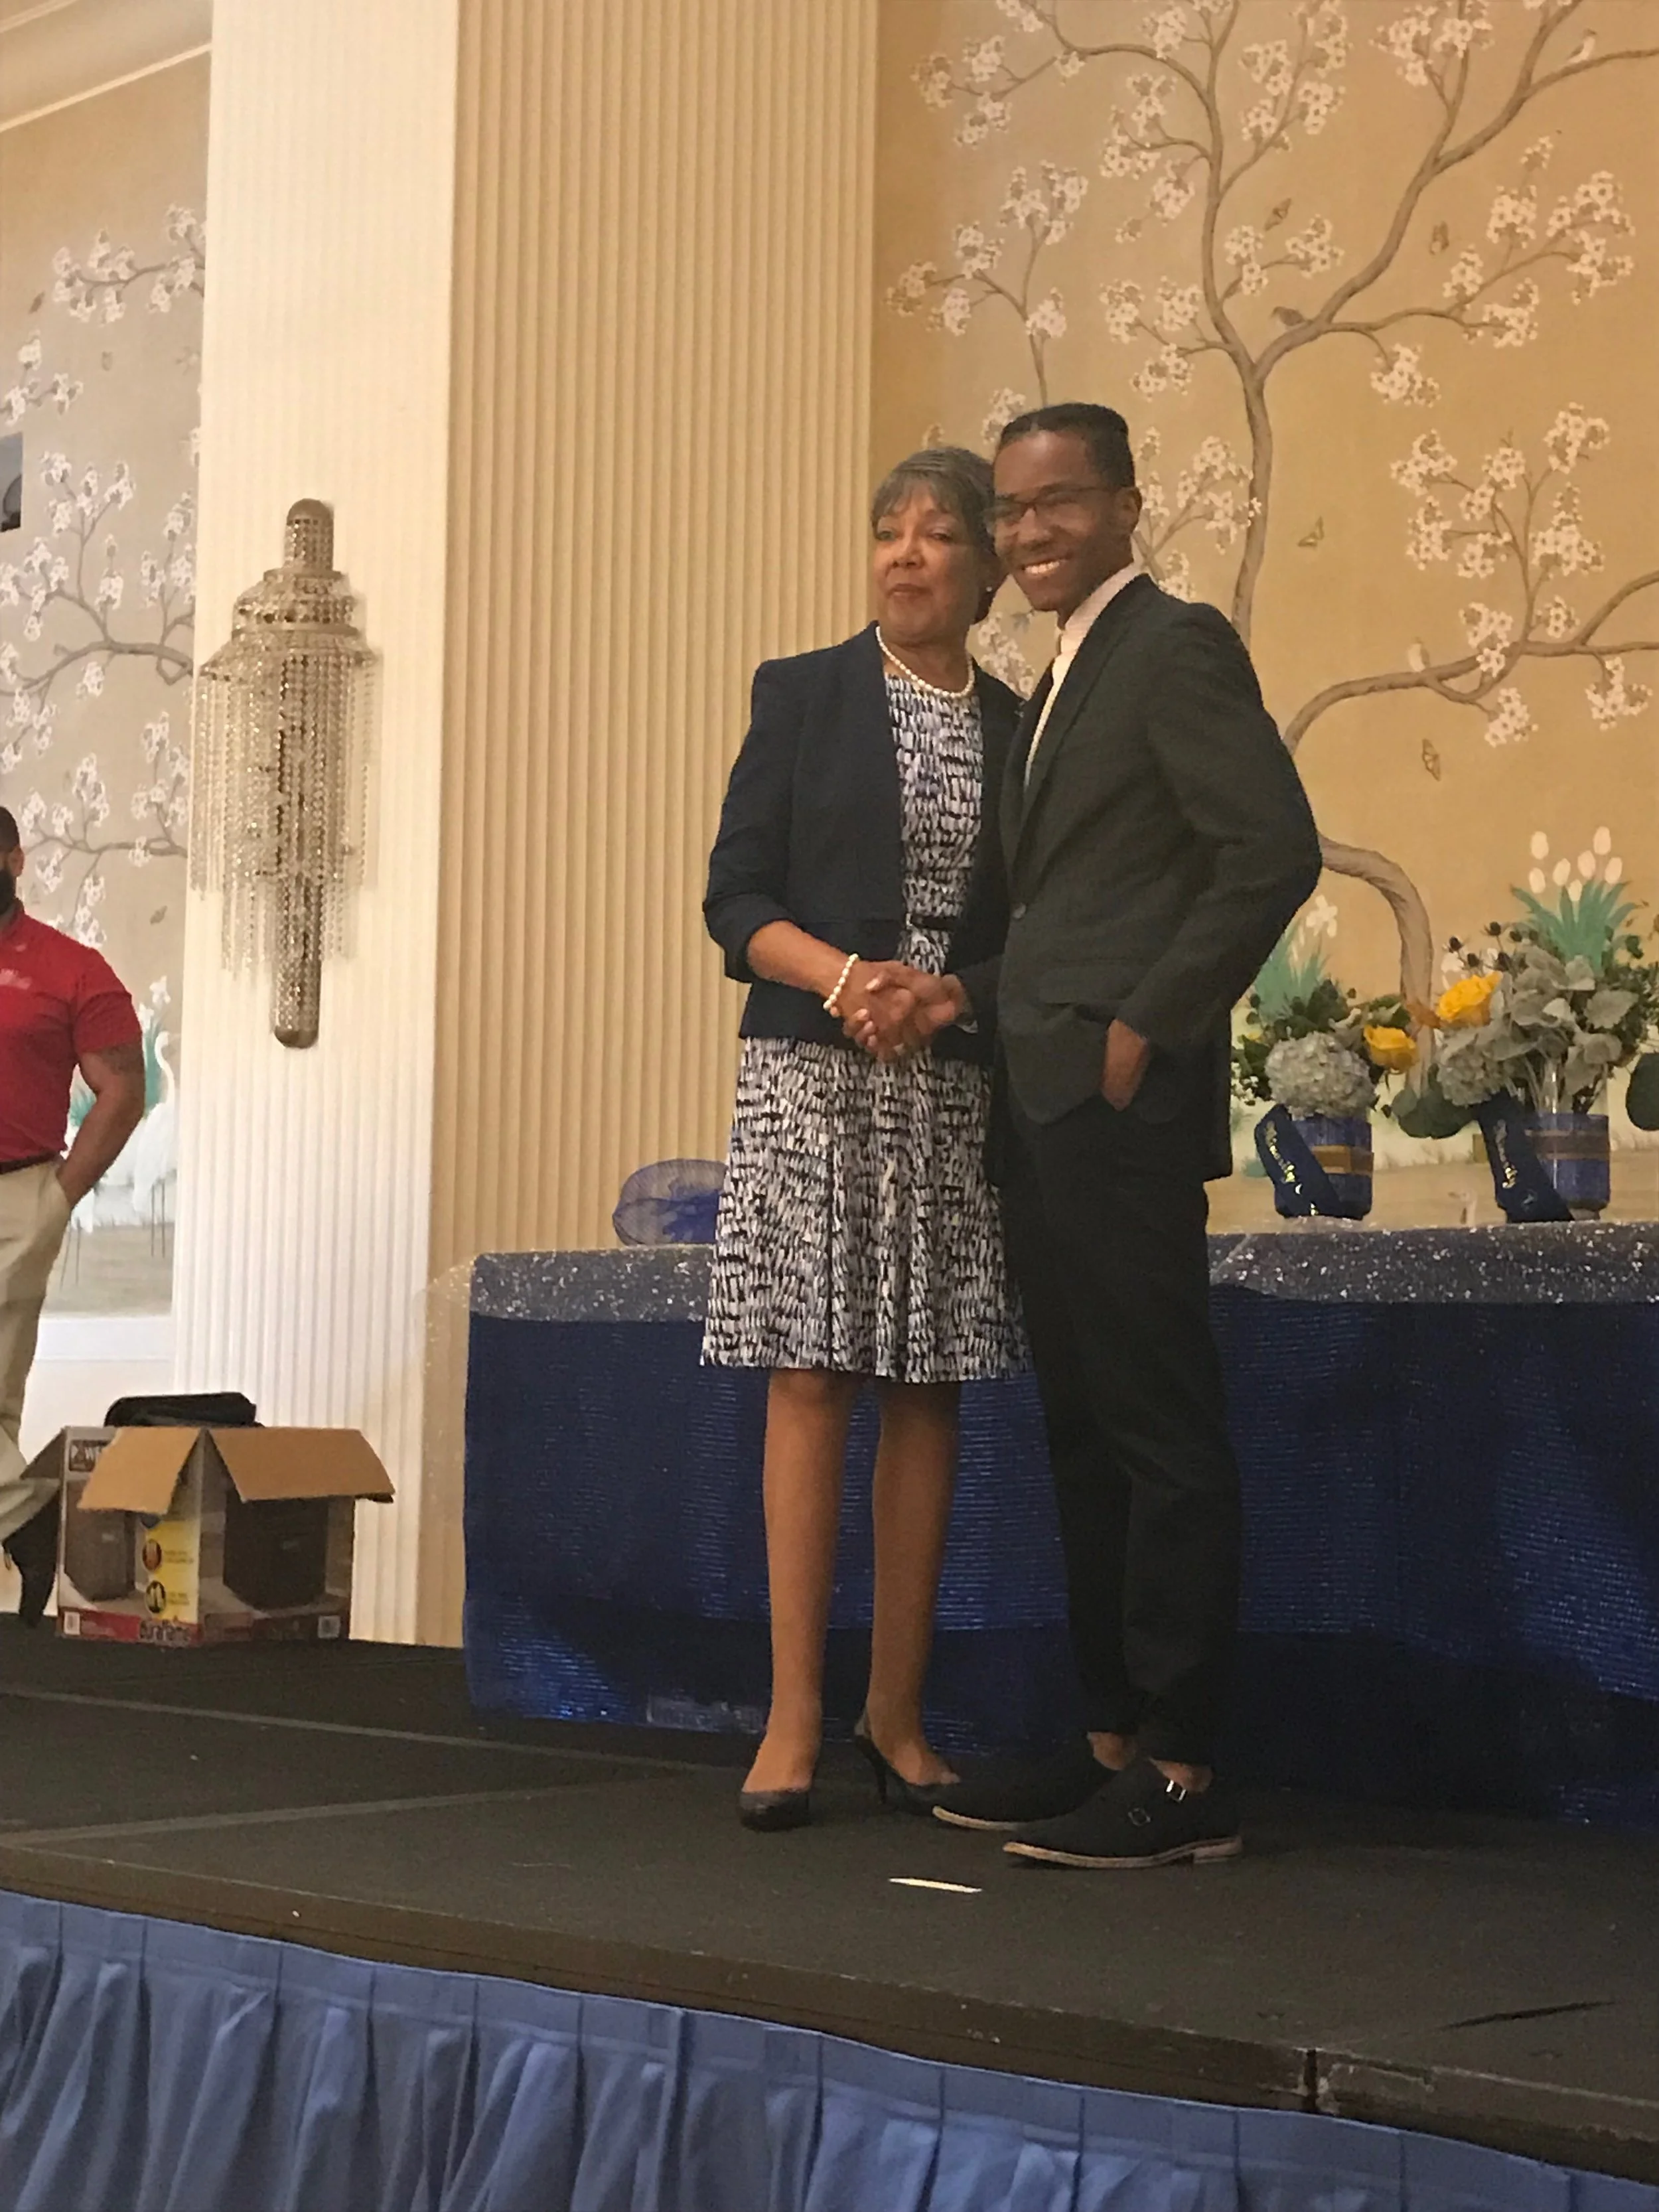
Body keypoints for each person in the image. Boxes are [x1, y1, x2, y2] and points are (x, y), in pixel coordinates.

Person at [855, 404, 1322, 1868]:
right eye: (1010, 509)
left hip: (1117, 1102)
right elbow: (1072, 915)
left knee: (1156, 1429)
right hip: (1040, 1097)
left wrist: (1145, 1025)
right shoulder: (1057, 674)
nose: (1029, 531)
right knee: (1084, 1430)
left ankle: (1183, 1768)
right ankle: (1112, 1736)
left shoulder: (1172, 646)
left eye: (1057, 502)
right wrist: (962, 993)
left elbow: (1271, 851)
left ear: (1124, 504)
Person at [703, 447, 1027, 1832]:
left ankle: (894, 1713)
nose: (905, 553)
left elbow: (1034, 928)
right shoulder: (801, 692)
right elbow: (735, 902)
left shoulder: (1021, 728)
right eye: (887, 530)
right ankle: (791, 1715)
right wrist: (848, 981)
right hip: (812, 1075)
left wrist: (941, 996)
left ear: (985, 568)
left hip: (947, 1081)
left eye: (937, 534)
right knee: (811, 1375)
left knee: (928, 1385)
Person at [0, 806, 147, 1623]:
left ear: (15, 859)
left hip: (17, 1193)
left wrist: (57, 1198)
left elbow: (123, 1089)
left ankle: (28, 1530)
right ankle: (30, 1527)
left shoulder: (71, 969)